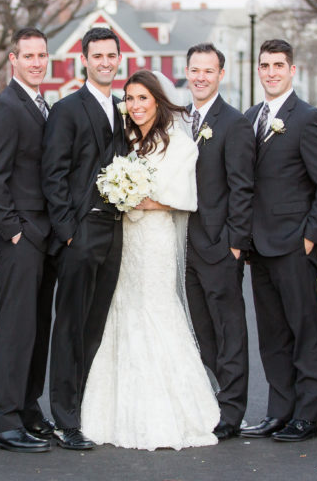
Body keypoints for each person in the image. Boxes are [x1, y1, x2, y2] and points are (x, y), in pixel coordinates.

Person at [80, 70, 220, 451]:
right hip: (123, 239)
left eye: (143, 98)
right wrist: (120, 192)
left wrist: (139, 198)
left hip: (155, 239)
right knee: (122, 311)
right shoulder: (124, 140)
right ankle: (117, 411)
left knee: (156, 311)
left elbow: (185, 197)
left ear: (157, 100)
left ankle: (173, 413)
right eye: (130, 99)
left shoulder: (178, 142)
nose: (136, 106)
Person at [242, 39, 317, 442]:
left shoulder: (309, 119)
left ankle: (307, 415)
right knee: (271, 335)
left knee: (304, 330)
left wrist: (311, 238)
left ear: (292, 70)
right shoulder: (250, 117)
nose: (270, 72)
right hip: (259, 247)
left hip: (294, 245)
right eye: (264, 65)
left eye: (278, 65)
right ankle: (279, 411)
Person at [41, 26, 126, 450]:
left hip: (115, 233)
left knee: (95, 325)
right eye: (98, 56)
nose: (106, 62)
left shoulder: (125, 108)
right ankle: (64, 417)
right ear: (85, 60)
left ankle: (86, 407)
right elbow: (53, 174)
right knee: (71, 325)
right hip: (80, 232)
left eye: (112, 55)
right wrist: (68, 232)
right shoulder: (67, 109)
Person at [0, 28, 57, 453]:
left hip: (42, 235)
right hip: (20, 236)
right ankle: (3, 419)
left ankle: (28, 407)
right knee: (15, 326)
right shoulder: (6, 108)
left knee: (36, 325)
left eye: (41, 55)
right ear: (13, 60)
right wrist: (13, 230)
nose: (36, 62)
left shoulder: (40, 105)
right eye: (28, 56)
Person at [182, 43, 255, 440]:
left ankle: (232, 409)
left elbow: (243, 188)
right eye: (195, 70)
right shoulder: (180, 120)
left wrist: (234, 244)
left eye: (208, 71)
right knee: (200, 330)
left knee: (229, 331)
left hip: (219, 246)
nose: (200, 77)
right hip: (186, 247)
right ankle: (213, 394)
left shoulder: (234, 123)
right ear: (187, 71)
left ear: (220, 74)